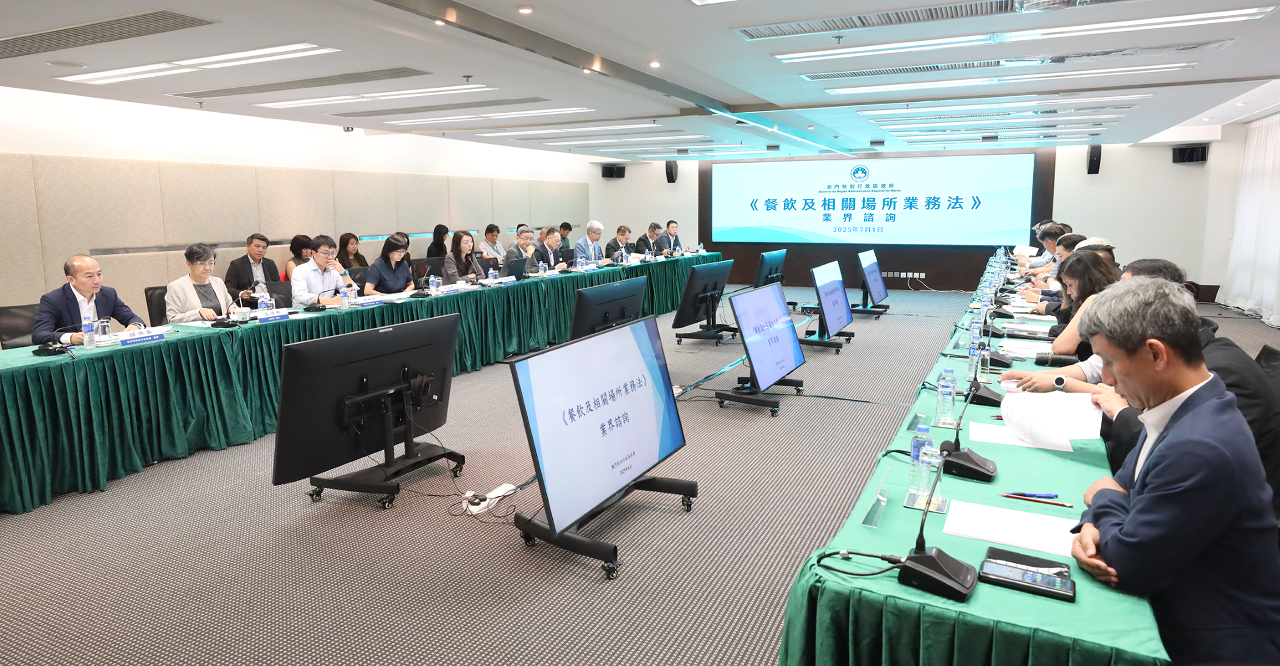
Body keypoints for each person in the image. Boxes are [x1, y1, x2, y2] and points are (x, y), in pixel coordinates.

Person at [1069, 277, 1280, 665]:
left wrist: (1103, 502)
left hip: (1210, 643)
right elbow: (1120, 484)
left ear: (1155, 354)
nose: (1108, 379)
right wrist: (1093, 522)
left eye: (1111, 362)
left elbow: (1126, 563)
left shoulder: (1199, 445)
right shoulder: (1188, 404)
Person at [32, 255, 145, 345]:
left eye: (99, 274)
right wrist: (71, 338)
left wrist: (135, 326)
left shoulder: (108, 294)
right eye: (89, 276)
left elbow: (132, 318)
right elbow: (39, 335)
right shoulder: (53, 299)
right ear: (71, 280)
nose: (97, 281)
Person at [1046, 250, 1119, 358]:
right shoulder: (1107, 294)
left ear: (1087, 281)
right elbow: (1064, 324)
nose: (1068, 291)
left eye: (1070, 285)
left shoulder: (1095, 299)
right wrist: (1067, 297)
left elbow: (1060, 348)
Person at [164, 243, 235, 323]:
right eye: (201, 263)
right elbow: (172, 319)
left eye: (211, 263)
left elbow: (231, 304)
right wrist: (198, 313)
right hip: (195, 330)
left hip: (222, 328)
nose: (207, 268)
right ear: (189, 264)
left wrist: (232, 309)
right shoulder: (176, 287)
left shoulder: (218, 282)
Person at [291, 235, 355, 306]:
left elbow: (352, 293)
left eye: (333, 253)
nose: (330, 257)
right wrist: (332, 301)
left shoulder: (334, 270)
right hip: (304, 311)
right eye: (325, 253)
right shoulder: (300, 270)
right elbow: (301, 297)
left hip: (329, 310)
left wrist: (343, 272)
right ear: (314, 253)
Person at [224, 233, 281, 307]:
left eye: (264, 248)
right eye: (257, 246)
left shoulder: (270, 263)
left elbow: (278, 285)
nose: (260, 250)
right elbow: (228, 287)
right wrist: (241, 293)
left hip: (270, 302)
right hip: (249, 303)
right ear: (248, 247)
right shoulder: (237, 264)